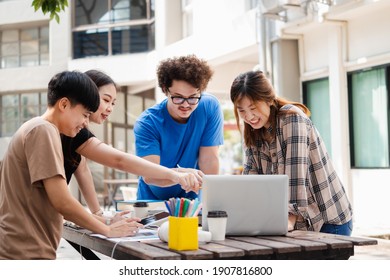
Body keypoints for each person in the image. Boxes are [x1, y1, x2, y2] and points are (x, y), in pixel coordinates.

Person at [0, 71, 142, 260]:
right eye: (84, 115)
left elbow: (46, 203)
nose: (85, 123)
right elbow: (62, 202)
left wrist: (104, 219)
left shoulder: (35, 128)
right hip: (24, 253)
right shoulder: (43, 130)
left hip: (22, 249)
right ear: (64, 104)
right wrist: (107, 229)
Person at [61, 69, 202, 221]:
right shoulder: (68, 130)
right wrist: (176, 176)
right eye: (106, 100)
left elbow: (82, 169)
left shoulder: (76, 131)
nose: (110, 108)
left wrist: (98, 215)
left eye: (113, 103)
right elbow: (119, 161)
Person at [230, 70, 353, 236]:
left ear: (268, 100)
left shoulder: (291, 118)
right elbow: (251, 181)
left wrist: (287, 220)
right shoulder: (252, 132)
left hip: (328, 221)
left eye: (253, 107)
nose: (249, 116)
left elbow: (295, 176)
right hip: (293, 224)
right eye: (242, 111)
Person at [134, 55, 224, 200]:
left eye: (193, 97)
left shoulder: (209, 107)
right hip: (153, 201)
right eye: (178, 97)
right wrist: (180, 175)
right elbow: (150, 175)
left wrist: (212, 199)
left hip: (192, 200)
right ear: (165, 90)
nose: (186, 104)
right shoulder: (147, 123)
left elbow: (209, 160)